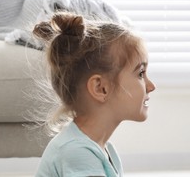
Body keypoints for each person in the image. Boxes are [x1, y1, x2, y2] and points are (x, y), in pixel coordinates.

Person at [33, 12, 156, 177]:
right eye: (140, 73)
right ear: (101, 88)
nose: (151, 86)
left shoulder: (103, 149)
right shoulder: (76, 152)